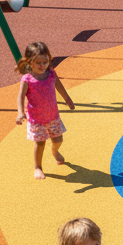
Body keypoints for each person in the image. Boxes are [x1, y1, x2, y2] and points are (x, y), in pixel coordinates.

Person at [15, 41, 75, 180]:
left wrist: (67, 98)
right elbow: (20, 96)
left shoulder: (51, 74)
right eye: (38, 62)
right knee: (40, 143)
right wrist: (20, 112)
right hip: (37, 119)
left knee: (58, 139)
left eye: (45, 61)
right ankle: (38, 167)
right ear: (30, 62)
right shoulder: (27, 79)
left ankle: (55, 152)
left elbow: (58, 85)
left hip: (53, 116)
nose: (42, 65)